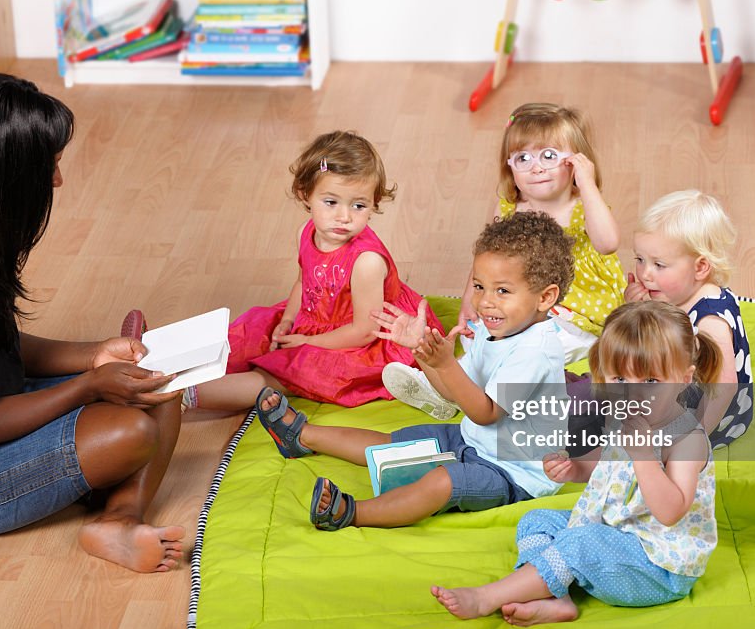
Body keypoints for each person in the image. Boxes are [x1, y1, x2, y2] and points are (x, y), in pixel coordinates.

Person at [0, 74, 185, 574]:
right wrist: (88, 385)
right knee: (131, 429)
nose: (56, 181)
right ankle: (112, 510)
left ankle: (118, 518)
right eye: (48, 167)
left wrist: (94, 354)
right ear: (1, 177)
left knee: (160, 383)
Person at [256, 212, 574, 530]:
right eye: (479, 286)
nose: (485, 302)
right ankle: (299, 435)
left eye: (502, 291)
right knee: (395, 445)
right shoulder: (492, 331)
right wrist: (423, 352)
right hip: (472, 440)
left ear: (545, 297)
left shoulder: (537, 352)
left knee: (442, 482)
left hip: (513, 474)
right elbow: (452, 392)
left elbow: (485, 412)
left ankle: (349, 513)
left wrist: (446, 364)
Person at [432, 300, 722, 625]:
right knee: (536, 520)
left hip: (658, 566)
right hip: (615, 530)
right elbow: (609, 463)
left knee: (580, 541)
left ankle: (489, 596)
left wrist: (644, 457)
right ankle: (557, 598)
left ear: (684, 378)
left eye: (651, 382)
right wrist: (576, 468)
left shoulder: (686, 440)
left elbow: (671, 511)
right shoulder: (626, 413)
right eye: (619, 380)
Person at [166, 130, 442, 415]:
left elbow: (363, 332)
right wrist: (287, 320)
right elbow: (303, 281)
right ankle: (160, 364)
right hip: (316, 315)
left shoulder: (366, 262)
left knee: (288, 371)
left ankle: (179, 395)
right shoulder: (306, 232)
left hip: (360, 341)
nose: (344, 216)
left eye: (358, 205)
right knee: (249, 333)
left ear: (374, 204)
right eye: (331, 202)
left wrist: (309, 342)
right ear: (305, 194)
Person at [383, 103, 625, 420]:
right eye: (523, 158)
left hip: (574, 310)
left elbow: (608, 243)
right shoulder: (512, 205)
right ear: (509, 166)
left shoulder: (584, 205)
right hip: (517, 297)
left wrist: (588, 184)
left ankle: (476, 392)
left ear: (576, 163)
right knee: (479, 337)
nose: (535, 168)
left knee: (534, 347)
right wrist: (471, 298)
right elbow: (488, 255)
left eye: (549, 157)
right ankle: (450, 389)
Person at [625, 189, 752, 447]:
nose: (645, 274)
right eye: (639, 259)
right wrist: (636, 308)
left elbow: (723, 388)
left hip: (708, 414)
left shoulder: (710, 320)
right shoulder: (671, 295)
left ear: (700, 267)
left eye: (659, 265)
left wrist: (694, 436)